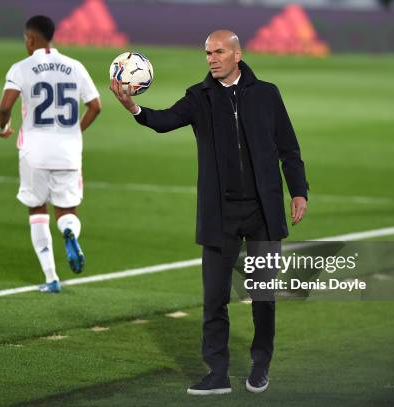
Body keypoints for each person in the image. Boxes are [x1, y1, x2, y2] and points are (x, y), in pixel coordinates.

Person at [110, 30, 308, 395]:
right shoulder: (198, 97)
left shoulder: (267, 95)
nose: (211, 58)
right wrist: (133, 108)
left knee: (263, 296)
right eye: (207, 53)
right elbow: (165, 120)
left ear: (237, 54)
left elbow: (289, 149)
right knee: (214, 298)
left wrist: (299, 191)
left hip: (263, 212)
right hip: (221, 215)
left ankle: (261, 363)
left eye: (218, 52)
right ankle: (216, 373)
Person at [0, 15, 101, 293]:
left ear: (30, 39)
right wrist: (74, 131)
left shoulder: (21, 68)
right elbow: (95, 106)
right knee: (67, 209)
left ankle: (51, 278)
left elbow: (5, 107)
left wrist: (4, 126)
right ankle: (69, 231)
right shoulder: (74, 66)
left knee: (37, 209)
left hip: (34, 151)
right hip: (68, 151)